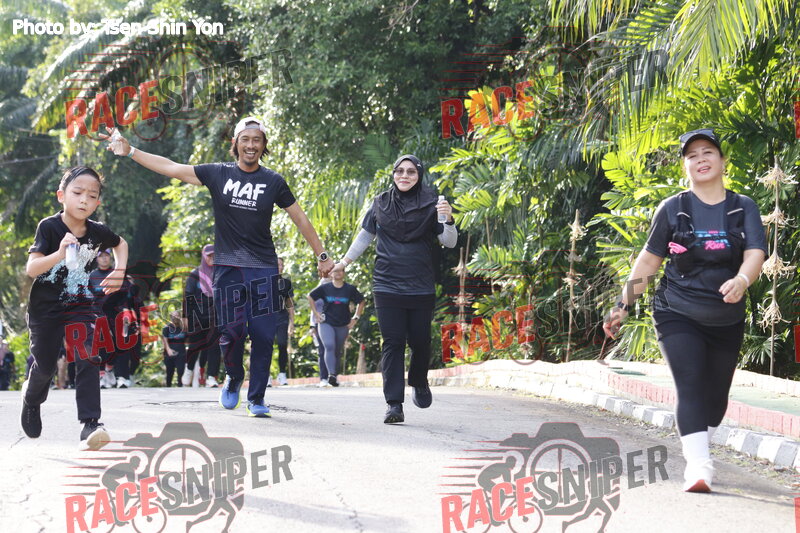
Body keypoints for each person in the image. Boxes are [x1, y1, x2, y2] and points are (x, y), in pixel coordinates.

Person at [104, 118, 334, 418]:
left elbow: (299, 217)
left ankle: (256, 398)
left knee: (264, 335)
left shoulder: (273, 181)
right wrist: (131, 151)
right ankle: (234, 376)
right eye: (245, 139)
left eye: (257, 140)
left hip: (263, 268)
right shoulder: (218, 174)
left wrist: (321, 254)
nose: (251, 145)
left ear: (263, 145)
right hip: (227, 268)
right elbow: (172, 167)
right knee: (231, 333)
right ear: (235, 143)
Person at [602, 129, 767, 493]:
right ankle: (698, 466)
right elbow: (649, 261)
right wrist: (622, 304)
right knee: (689, 383)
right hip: (676, 311)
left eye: (708, 152)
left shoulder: (743, 207)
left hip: (725, 318)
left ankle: (698, 441)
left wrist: (741, 280)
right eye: (692, 155)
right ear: (685, 166)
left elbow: (755, 252)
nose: (701, 159)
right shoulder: (673, 209)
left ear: (722, 161)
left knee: (715, 401)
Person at [332, 155, 457, 423]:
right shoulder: (381, 203)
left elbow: (449, 242)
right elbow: (366, 235)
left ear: (419, 175)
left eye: (411, 172)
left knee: (421, 341)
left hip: (420, 285)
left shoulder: (432, 203)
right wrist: (343, 262)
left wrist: (448, 220)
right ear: (393, 174)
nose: (404, 176)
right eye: (399, 171)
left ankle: (419, 381)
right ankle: (394, 404)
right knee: (393, 342)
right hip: (386, 284)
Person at [21, 165, 128, 450]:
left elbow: (121, 243)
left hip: (80, 304)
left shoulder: (97, 232)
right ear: (61, 195)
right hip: (45, 308)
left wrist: (119, 270)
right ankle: (31, 399)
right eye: (78, 192)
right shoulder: (49, 227)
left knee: (88, 354)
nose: (84, 200)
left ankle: (90, 423)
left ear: (98, 202)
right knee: (45, 366)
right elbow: (32, 269)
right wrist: (59, 253)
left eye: (92, 196)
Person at [307, 267, 365, 387]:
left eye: (340, 270)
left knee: (337, 351)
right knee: (329, 346)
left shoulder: (350, 289)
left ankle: (334, 375)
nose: (338, 273)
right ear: (331, 273)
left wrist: (355, 318)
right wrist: (316, 314)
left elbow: (361, 301)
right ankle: (331, 375)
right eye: (335, 271)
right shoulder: (325, 288)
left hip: (343, 324)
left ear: (344, 273)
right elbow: (310, 296)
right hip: (326, 322)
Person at [182, 244, 221, 388]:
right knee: (195, 345)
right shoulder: (195, 274)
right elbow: (188, 296)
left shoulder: (220, 273)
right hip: (197, 316)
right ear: (204, 256)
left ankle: (211, 377)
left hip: (214, 316)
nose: (212, 258)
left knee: (214, 346)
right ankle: (189, 368)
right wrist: (186, 317)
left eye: (214, 255)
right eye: (209, 256)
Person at [271, 257, 295, 386]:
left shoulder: (286, 283)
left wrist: (292, 322)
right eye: (277, 264)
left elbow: (289, 303)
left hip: (282, 317)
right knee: (266, 346)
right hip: (266, 318)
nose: (279, 267)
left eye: (281, 265)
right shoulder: (263, 281)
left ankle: (282, 374)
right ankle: (266, 375)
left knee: (282, 344)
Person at [309, 276, 332, 387]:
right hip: (320, 322)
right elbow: (313, 309)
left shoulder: (337, 289)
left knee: (333, 350)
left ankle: (333, 376)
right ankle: (323, 378)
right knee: (322, 350)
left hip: (334, 323)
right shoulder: (318, 290)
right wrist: (312, 325)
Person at [161, 311, 187, 387]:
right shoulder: (166, 328)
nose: (175, 317)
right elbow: (164, 340)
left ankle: (180, 387)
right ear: (171, 317)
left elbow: (188, 339)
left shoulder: (183, 328)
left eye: (177, 315)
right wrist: (168, 350)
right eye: (174, 316)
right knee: (169, 373)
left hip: (181, 353)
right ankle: (168, 388)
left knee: (181, 371)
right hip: (169, 353)